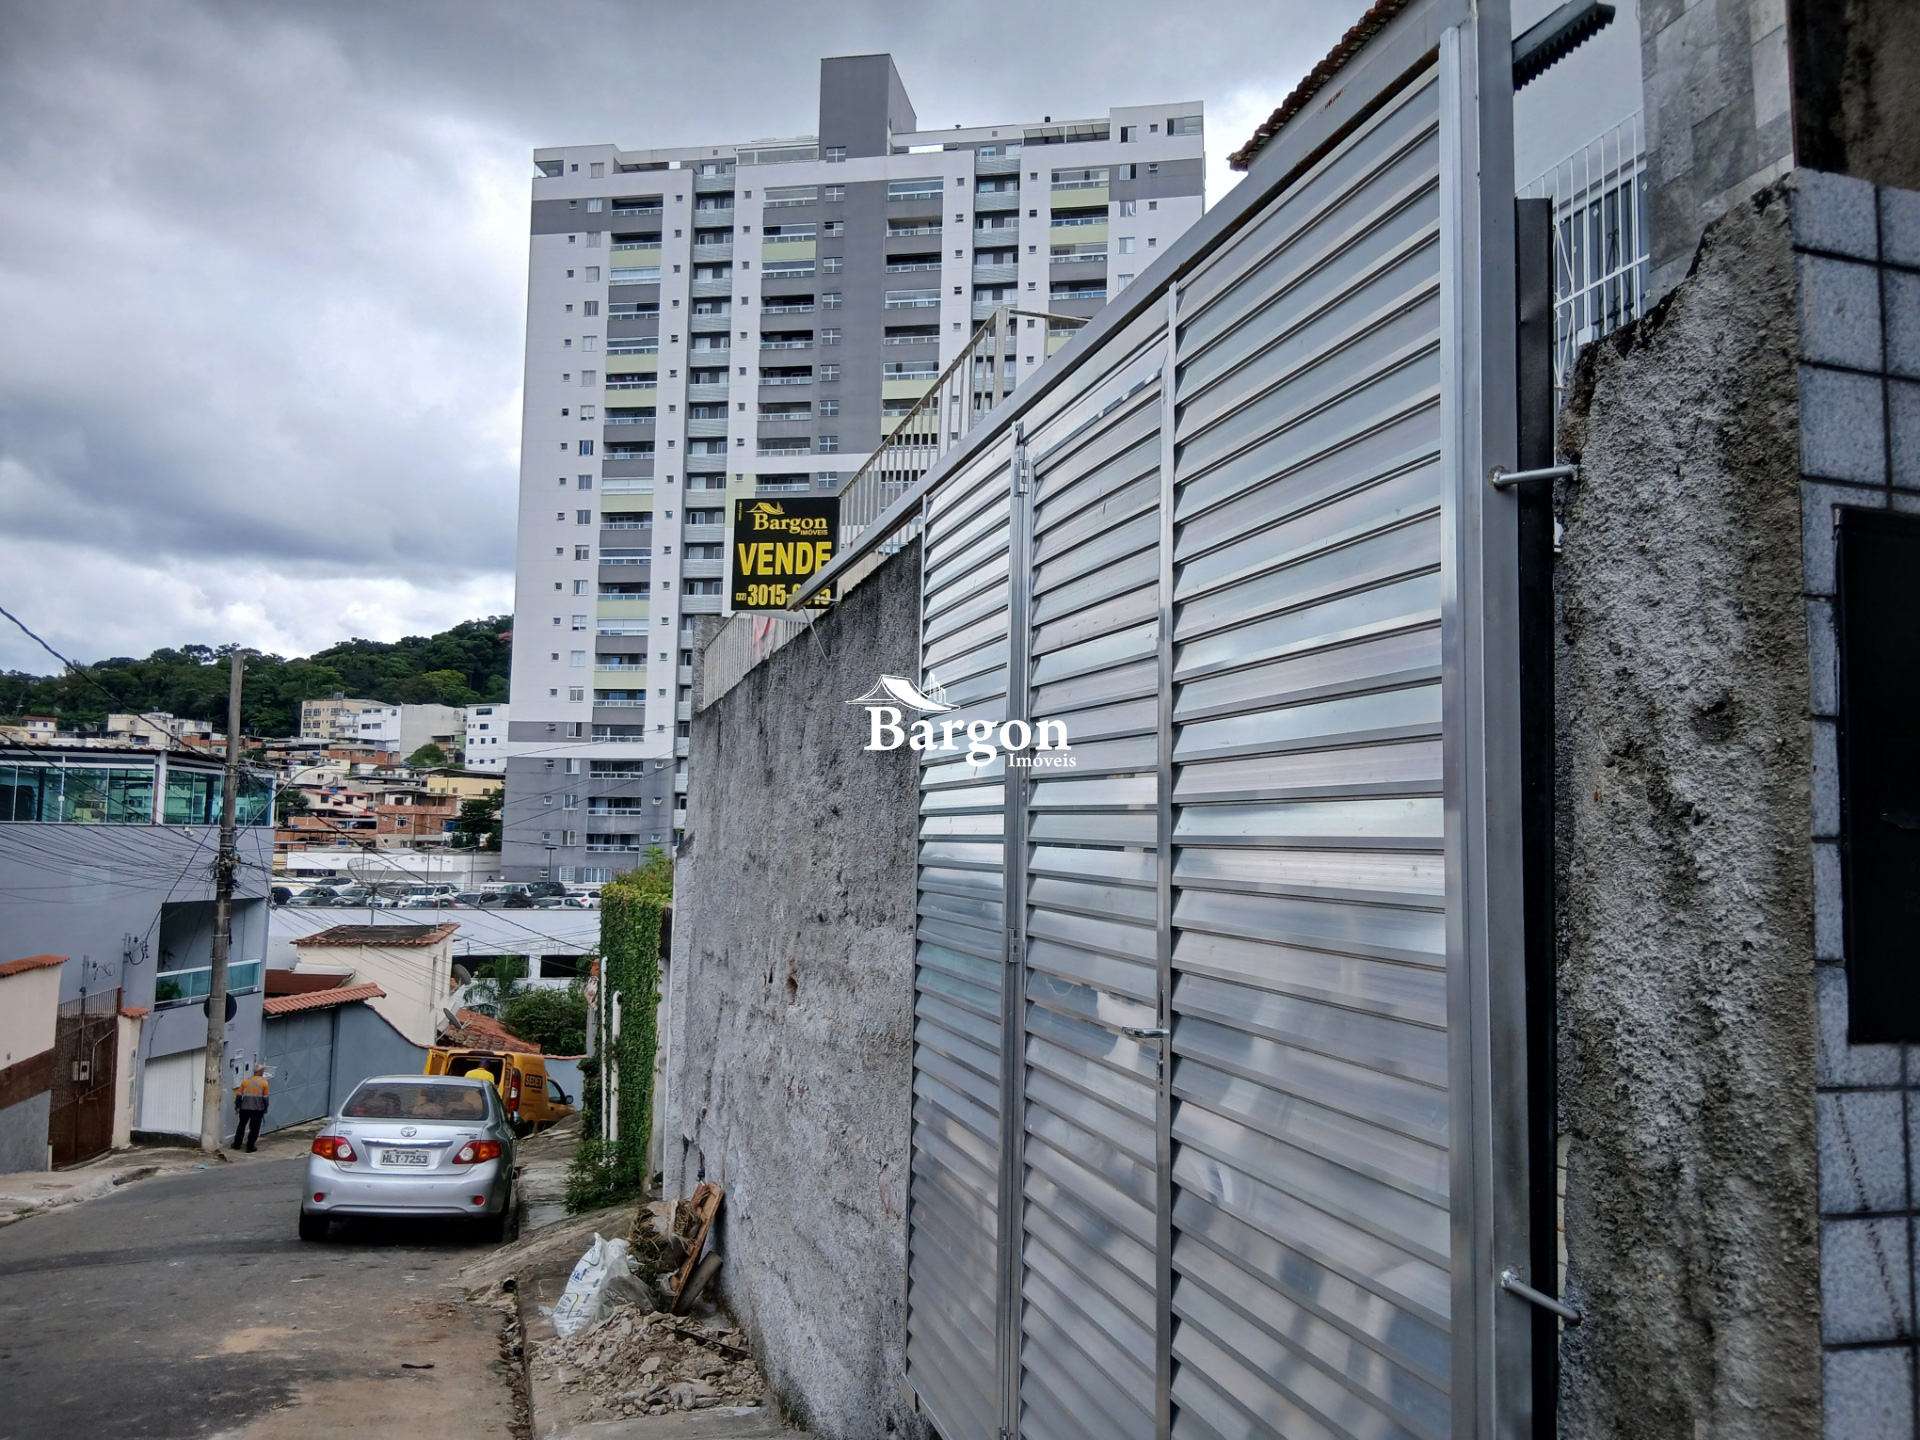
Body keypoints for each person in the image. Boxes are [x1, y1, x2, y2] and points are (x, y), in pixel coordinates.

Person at [233, 1065, 270, 1152]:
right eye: (263, 1071)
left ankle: (237, 1144)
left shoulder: (245, 1081)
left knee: (241, 1126)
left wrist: (237, 1105)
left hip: (244, 1108)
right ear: (260, 1072)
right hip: (258, 1109)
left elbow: (239, 1095)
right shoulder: (264, 1083)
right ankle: (250, 1147)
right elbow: (265, 1098)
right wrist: (266, 1108)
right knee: (254, 1128)